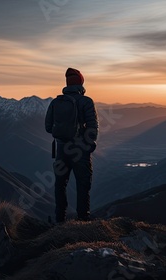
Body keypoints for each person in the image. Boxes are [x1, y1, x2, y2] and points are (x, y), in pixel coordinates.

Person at [45, 68, 98, 223]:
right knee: (83, 184)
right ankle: (82, 220)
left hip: (61, 150)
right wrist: (89, 146)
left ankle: (60, 220)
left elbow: (48, 127)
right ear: (81, 83)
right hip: (80, 151)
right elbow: (93, 127)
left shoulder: (56, 102)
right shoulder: (86, 102)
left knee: (60, 185)